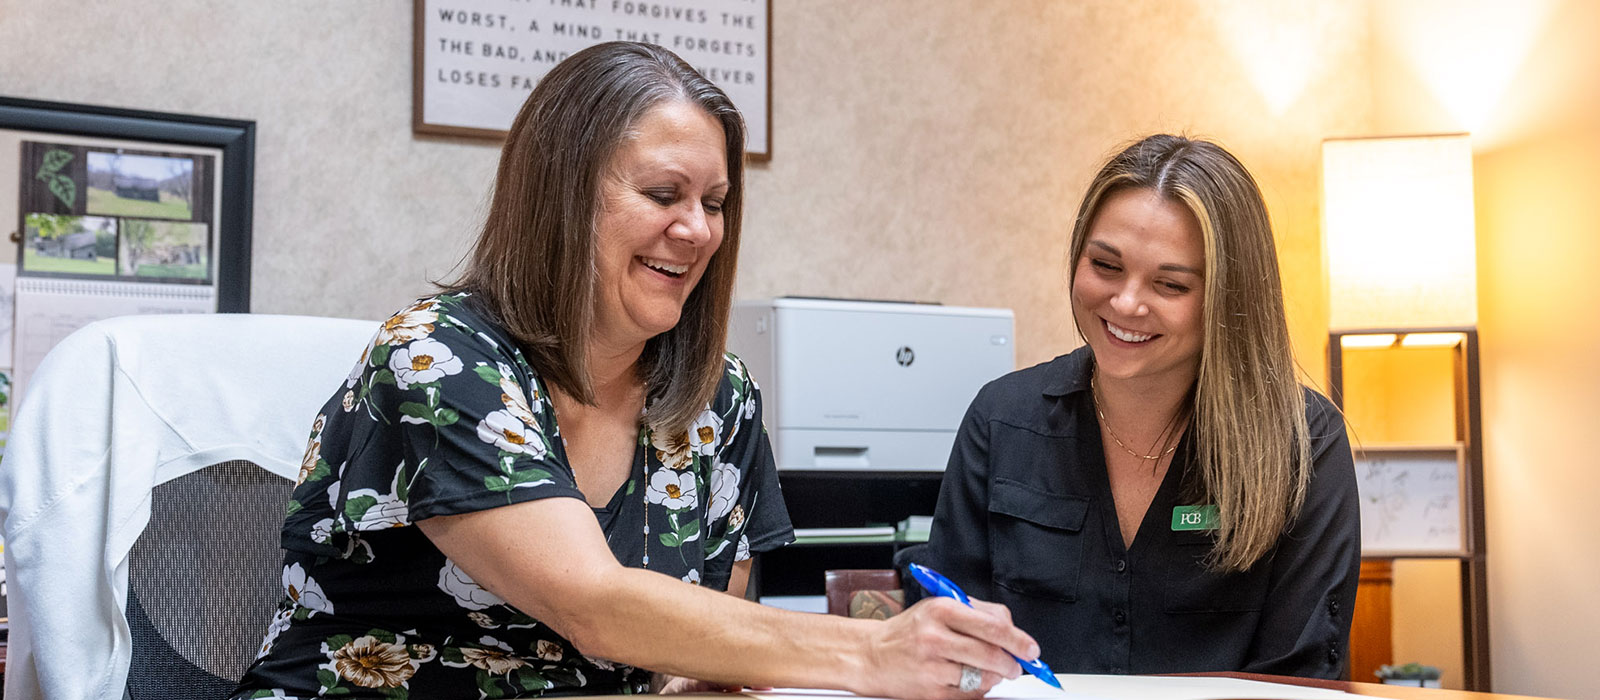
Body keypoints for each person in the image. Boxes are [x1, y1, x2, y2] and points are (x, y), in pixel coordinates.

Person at [233, 42, 1037, 700]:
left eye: (715, 203)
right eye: (663, 193)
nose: (696, 230)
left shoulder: (719, 399)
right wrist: (870, 652)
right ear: (563, 195)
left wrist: (712, 676)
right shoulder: (437, 358)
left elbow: (708, 647)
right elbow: (594, 604)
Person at [907, 135, 1360, 679]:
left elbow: (1302, 679)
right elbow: (952, 650)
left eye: (1170, 284)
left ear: (1228, 297)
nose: (1125, 303)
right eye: (1105, 265)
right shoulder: (1000, 420)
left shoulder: (1305, 444)